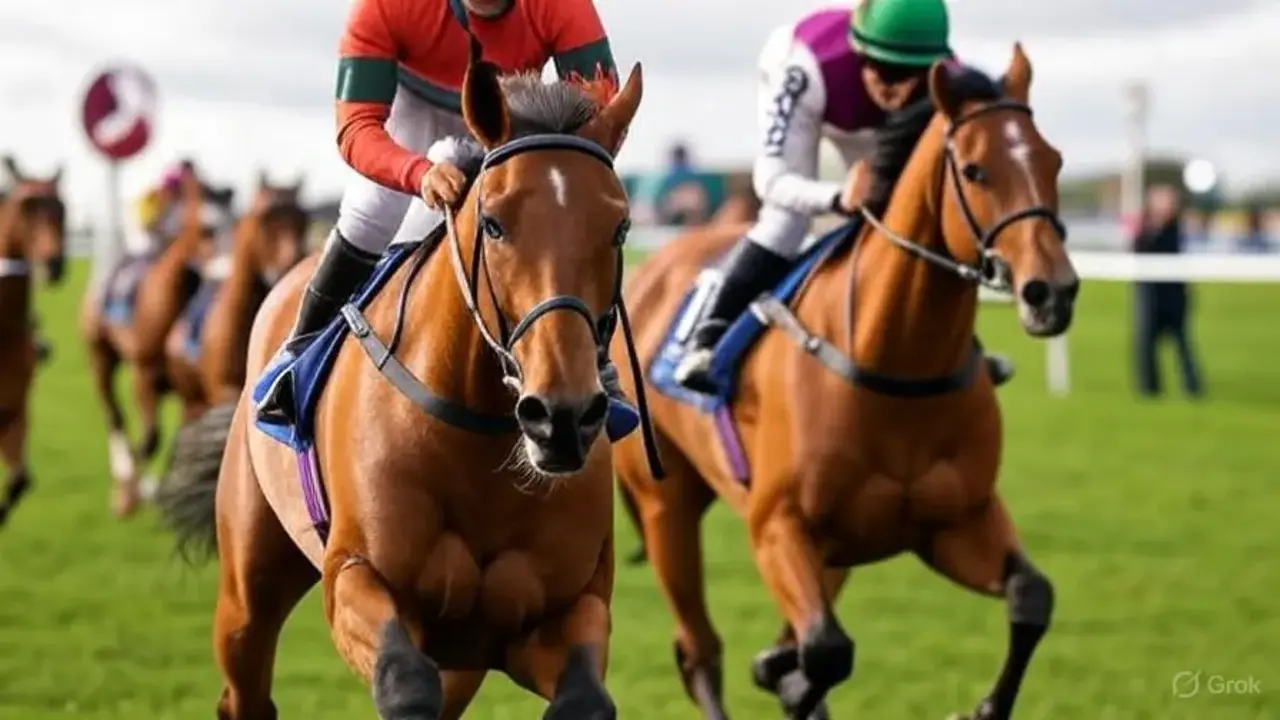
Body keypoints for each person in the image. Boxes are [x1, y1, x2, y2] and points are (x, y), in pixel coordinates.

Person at [252, 0, 640, 435]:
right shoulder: (383, 7)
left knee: (567, 219)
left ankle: (598, 361)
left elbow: (601, 122)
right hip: (411, 112)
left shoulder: (564, 7)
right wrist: (417, 174)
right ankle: (299, 354)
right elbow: (356, 126)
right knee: (371, 212)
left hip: (511, 115)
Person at [672, 0, 1017, 393]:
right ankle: (708, 336)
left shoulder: (946, 81)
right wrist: (839, 197)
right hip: (816, 93)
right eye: (886, 70)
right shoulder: (804, 66)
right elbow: (770, 179)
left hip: (871, 124)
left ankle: (959, 346)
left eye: (912, 74)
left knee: (905, 217)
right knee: (787, 221)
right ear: (860, 53)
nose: (897, 88)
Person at [1131, 185, 1203, 398]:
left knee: (1182, 345)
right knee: (1145, 346)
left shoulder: (1175, 228)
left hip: (1173, 297)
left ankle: (1192, 387)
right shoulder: (1145, 229)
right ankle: (1149, 389)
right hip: (1149, 296)